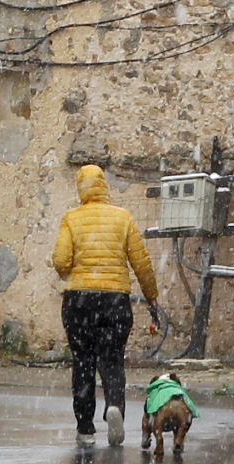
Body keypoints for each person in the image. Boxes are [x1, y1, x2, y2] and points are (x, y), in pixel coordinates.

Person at [54, 164, 159, 447]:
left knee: (83, 363)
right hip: (115, 300)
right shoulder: (122, 218)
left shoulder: (71, 219)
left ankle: (85, 428)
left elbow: (61, 261)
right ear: (104, 186)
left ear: (81, 188)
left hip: (78, 300)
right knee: (112, 360)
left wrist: (73, 273)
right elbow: (141, 262)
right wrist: (151, 296)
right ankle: (115, 406)